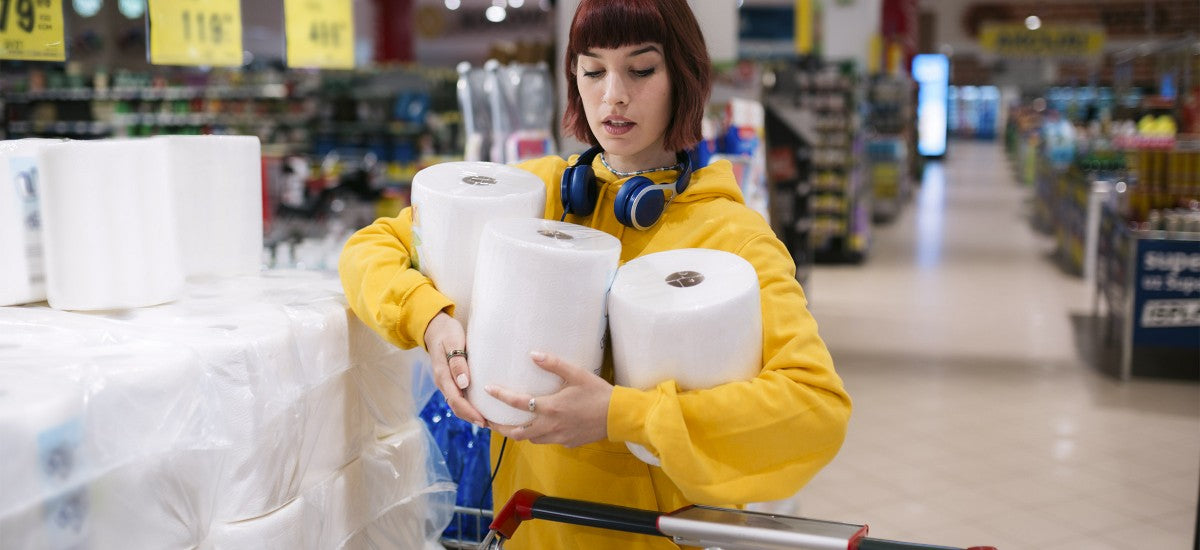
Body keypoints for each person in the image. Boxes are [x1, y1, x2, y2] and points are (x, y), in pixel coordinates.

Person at [339, 0, 851, 547]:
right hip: (525, 532)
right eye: (593, 69)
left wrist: (622, 416)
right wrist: (430, 319)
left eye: (641, 68)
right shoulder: (532, 198)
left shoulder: (731, 238)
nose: (614, 95)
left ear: (683, 74)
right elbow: (370, 248)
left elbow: (814, 409)